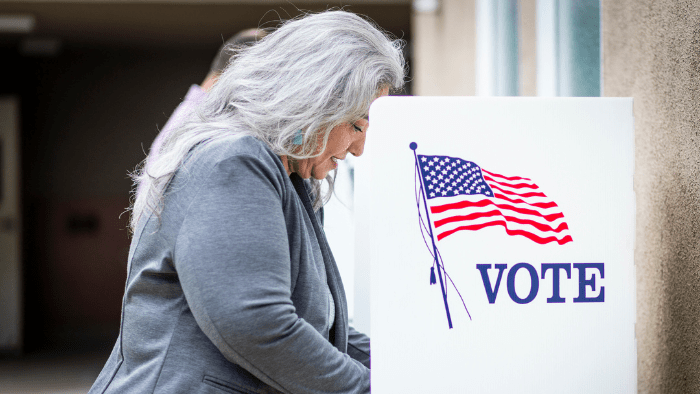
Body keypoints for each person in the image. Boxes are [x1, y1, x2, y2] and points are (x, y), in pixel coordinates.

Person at [89, 10, 405, 394]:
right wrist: (371, 387)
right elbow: (256, 325)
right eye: (357, 124)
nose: (360, 147)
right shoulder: (232, 161)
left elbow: (320, 328)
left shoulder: (286, 174)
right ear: (312, 100)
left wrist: (406, 370)